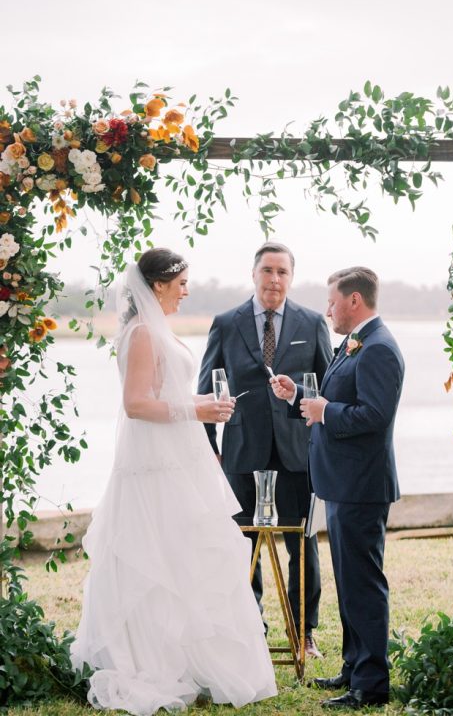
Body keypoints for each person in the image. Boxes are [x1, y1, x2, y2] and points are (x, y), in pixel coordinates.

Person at [71, 248, 277, 715]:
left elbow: (166, 393)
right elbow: (136, 405)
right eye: (181, 283)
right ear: (158, 285)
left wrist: (200, 401)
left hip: (177, 460)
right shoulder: (143, 333)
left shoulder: (154, 329)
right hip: (153, 470)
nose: (186, 291)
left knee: (187, 557)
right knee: (157, 562)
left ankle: (189, 660)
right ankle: (152, 661)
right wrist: (196, 408)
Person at [271, 267, 403, 710]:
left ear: (354, 302)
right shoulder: (353, 345)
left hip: (362, 485)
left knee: (364, 584)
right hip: (343, 483)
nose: (326, 310)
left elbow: (373, 416)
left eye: (332, 302)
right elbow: (337, 400)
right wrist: (298, 399)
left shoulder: (380, 348)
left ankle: (371, 685)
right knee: (349, 580)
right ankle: (353, 667)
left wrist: (326, 411)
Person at [197, 242, 331, 659]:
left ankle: (303, 633)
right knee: (242, 545)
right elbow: (207, 388)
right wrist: (210, 448)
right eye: (268, 271)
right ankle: (249, 630)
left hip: (297, 452)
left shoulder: (311, 323)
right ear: (253, 274)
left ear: (292, 277)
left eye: (283, 272)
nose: (275, 279)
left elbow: (329, 387)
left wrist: (322, 446)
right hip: (241, 450)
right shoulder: (225, 322)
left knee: (302, 546)